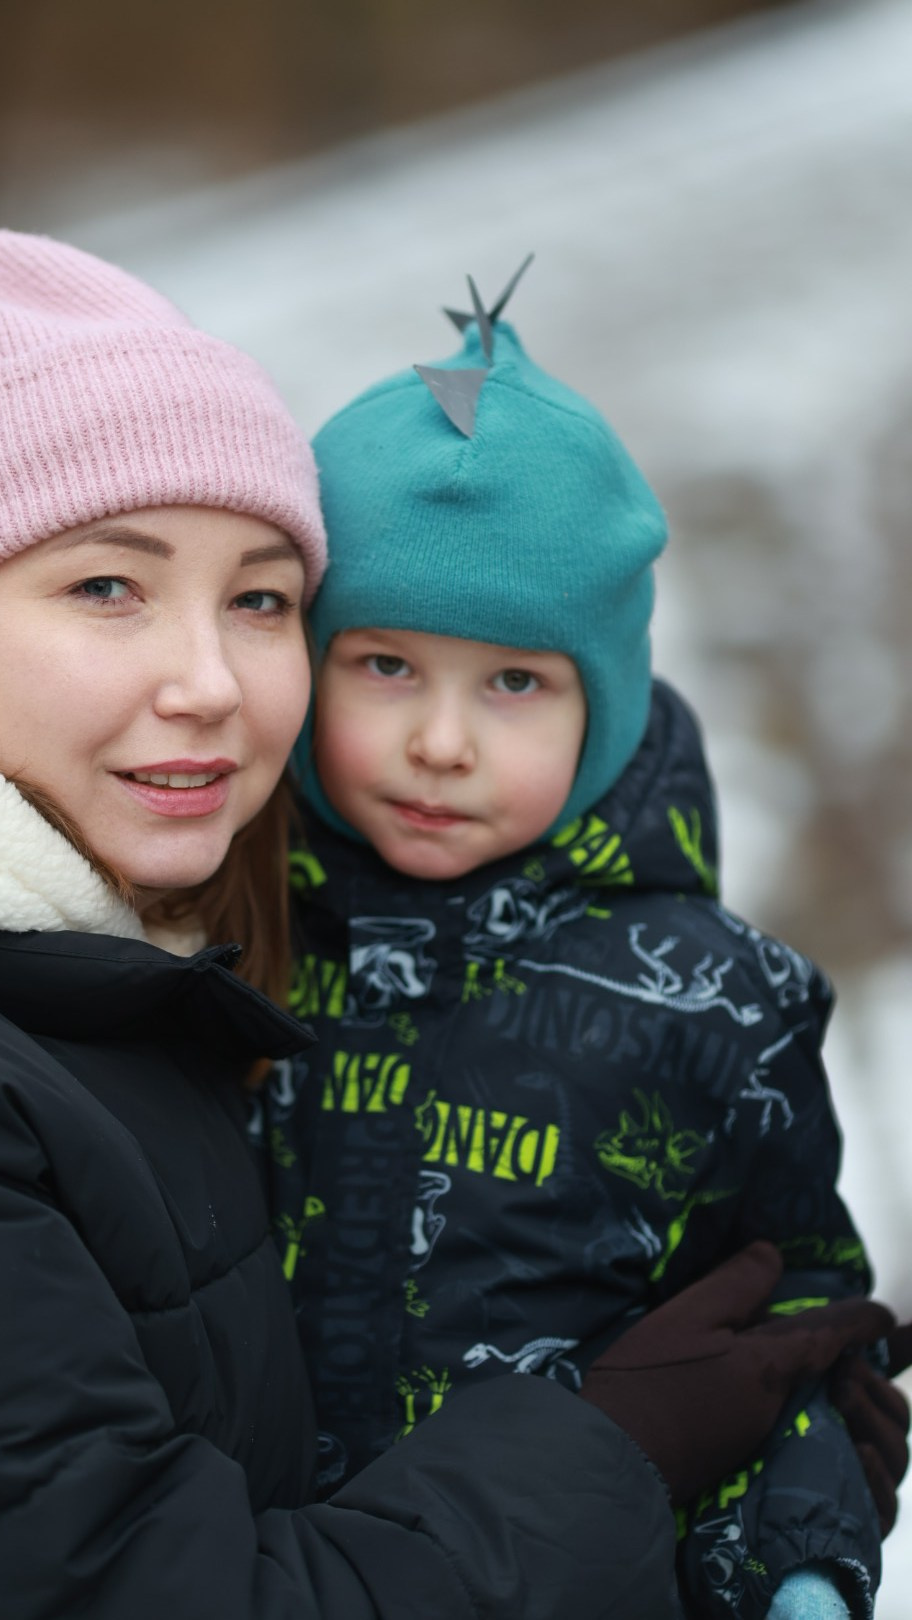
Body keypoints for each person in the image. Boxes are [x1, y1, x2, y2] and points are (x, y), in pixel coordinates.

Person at [0, 228, 898, 1620]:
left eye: (261, 599)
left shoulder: (153, 979)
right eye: (109, 585)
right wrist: (613, 1457)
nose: (211, 681)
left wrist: (789, 1526)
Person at [263, 266, 906, 1620]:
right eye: (386, 665)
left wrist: (790, 1571)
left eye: (515, 683)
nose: (443, 741)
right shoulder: (231, 941)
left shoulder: (719, 1009)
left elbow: (788, 1336)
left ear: (601, 707)